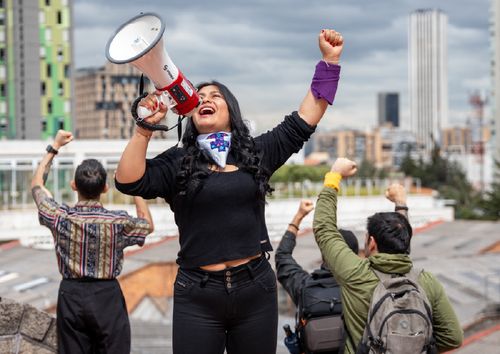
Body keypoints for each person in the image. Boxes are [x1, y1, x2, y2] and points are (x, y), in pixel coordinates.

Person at [114, 29, 344, 354]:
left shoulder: (257, 153)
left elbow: (307, 118)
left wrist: (329, 62)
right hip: (197, 293)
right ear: (190, 114)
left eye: (216, 96)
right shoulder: (177, 162)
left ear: (230, 111)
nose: (206, 99)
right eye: (200, 97)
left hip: (256, 289)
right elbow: (127, 180)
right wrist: (144, 129)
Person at [313, 157, 464, 354]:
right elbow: (453, 338)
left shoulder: (356, 275)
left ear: (372, 242)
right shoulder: (426, 281)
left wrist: (334, 175)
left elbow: (324, 229)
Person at [31, 130, 154, 354]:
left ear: (73, 185)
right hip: (106, 295)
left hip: (70, 294)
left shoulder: (60, 216)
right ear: (105, 188)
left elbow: (37, 185)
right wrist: (134, 188)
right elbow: (147, 225)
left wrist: (54, 147)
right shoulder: (118, 222)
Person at [276, 199, 359, 354]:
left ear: (323, 254)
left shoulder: (304, 286)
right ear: (354, 255)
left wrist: (298, 217)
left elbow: (282, 256)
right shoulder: (364, 287)